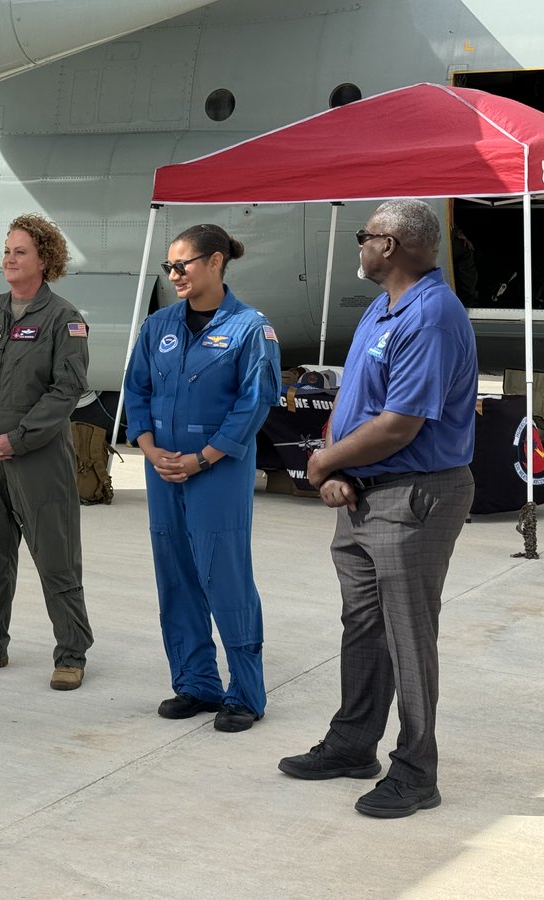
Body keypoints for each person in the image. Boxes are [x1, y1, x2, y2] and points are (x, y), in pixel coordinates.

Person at [278, 199, 477, 819]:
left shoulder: (433, 315)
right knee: (363, 625)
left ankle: (417, 772)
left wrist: (323, 464)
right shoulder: (380, 307)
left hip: (413, 495)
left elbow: (400, 425)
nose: (359, 246)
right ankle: (352, 744)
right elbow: (354, 398)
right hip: (364, 492)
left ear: (388, 245)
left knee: (408, 635)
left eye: (365, 237)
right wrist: (335, 463)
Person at [124, 224, 281, 732]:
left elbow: (252, 404)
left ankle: (245, 693)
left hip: (216, 471)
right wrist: (149, 449)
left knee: (225, 577)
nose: (174, 276)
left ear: (215, 263)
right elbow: (138, 391)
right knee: (176, 575)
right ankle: (195, 682)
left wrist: (202, 459)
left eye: (182, 265)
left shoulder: (250, 329)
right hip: (163, 469)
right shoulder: (159, 326)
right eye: (169, 267)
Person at [0, 214, 94, 691]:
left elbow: (66, 389)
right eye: (7, 251)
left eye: (21, 252)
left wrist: (19, 438)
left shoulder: (63, 320)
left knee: (56, 557)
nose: (10, 259)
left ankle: (71, 652)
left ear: (45, 261)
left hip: (37, 459)